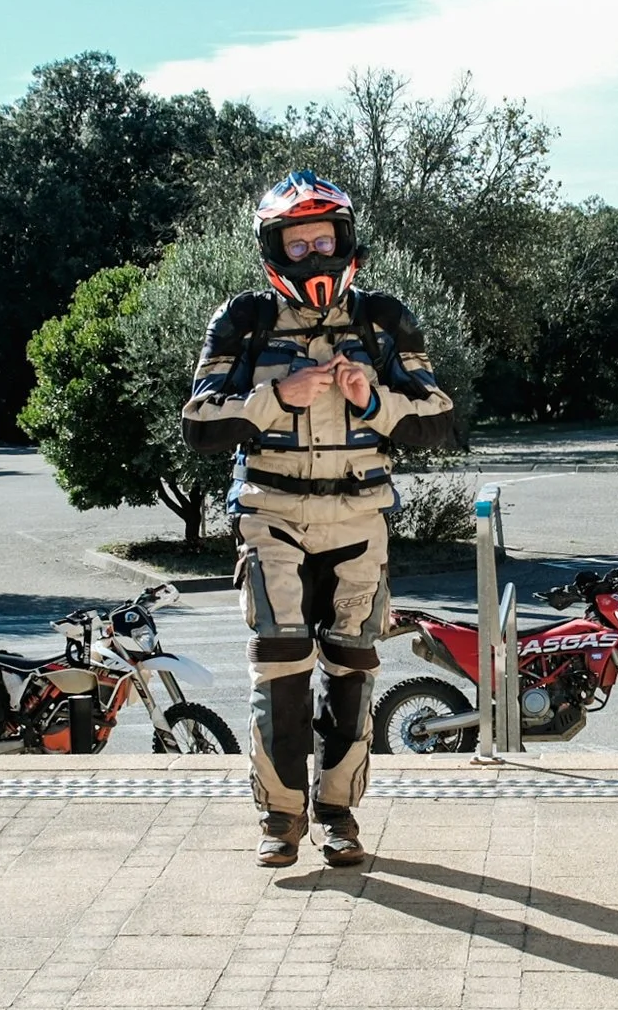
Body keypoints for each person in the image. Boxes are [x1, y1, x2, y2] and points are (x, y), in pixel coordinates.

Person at [182, 172, 458, 867]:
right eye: (296, 242)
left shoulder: (382, 318)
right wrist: (278, 396)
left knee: (353, 667)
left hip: (359, 517)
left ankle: (338, 812)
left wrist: (373, 402)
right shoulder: (242, 319)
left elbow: (440, 420)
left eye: (322, 238)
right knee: (278, 668)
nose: (312, 255)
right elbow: (199, 424)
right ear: (275, 247)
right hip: (271, 514)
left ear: (345, 239)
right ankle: (280, 818)